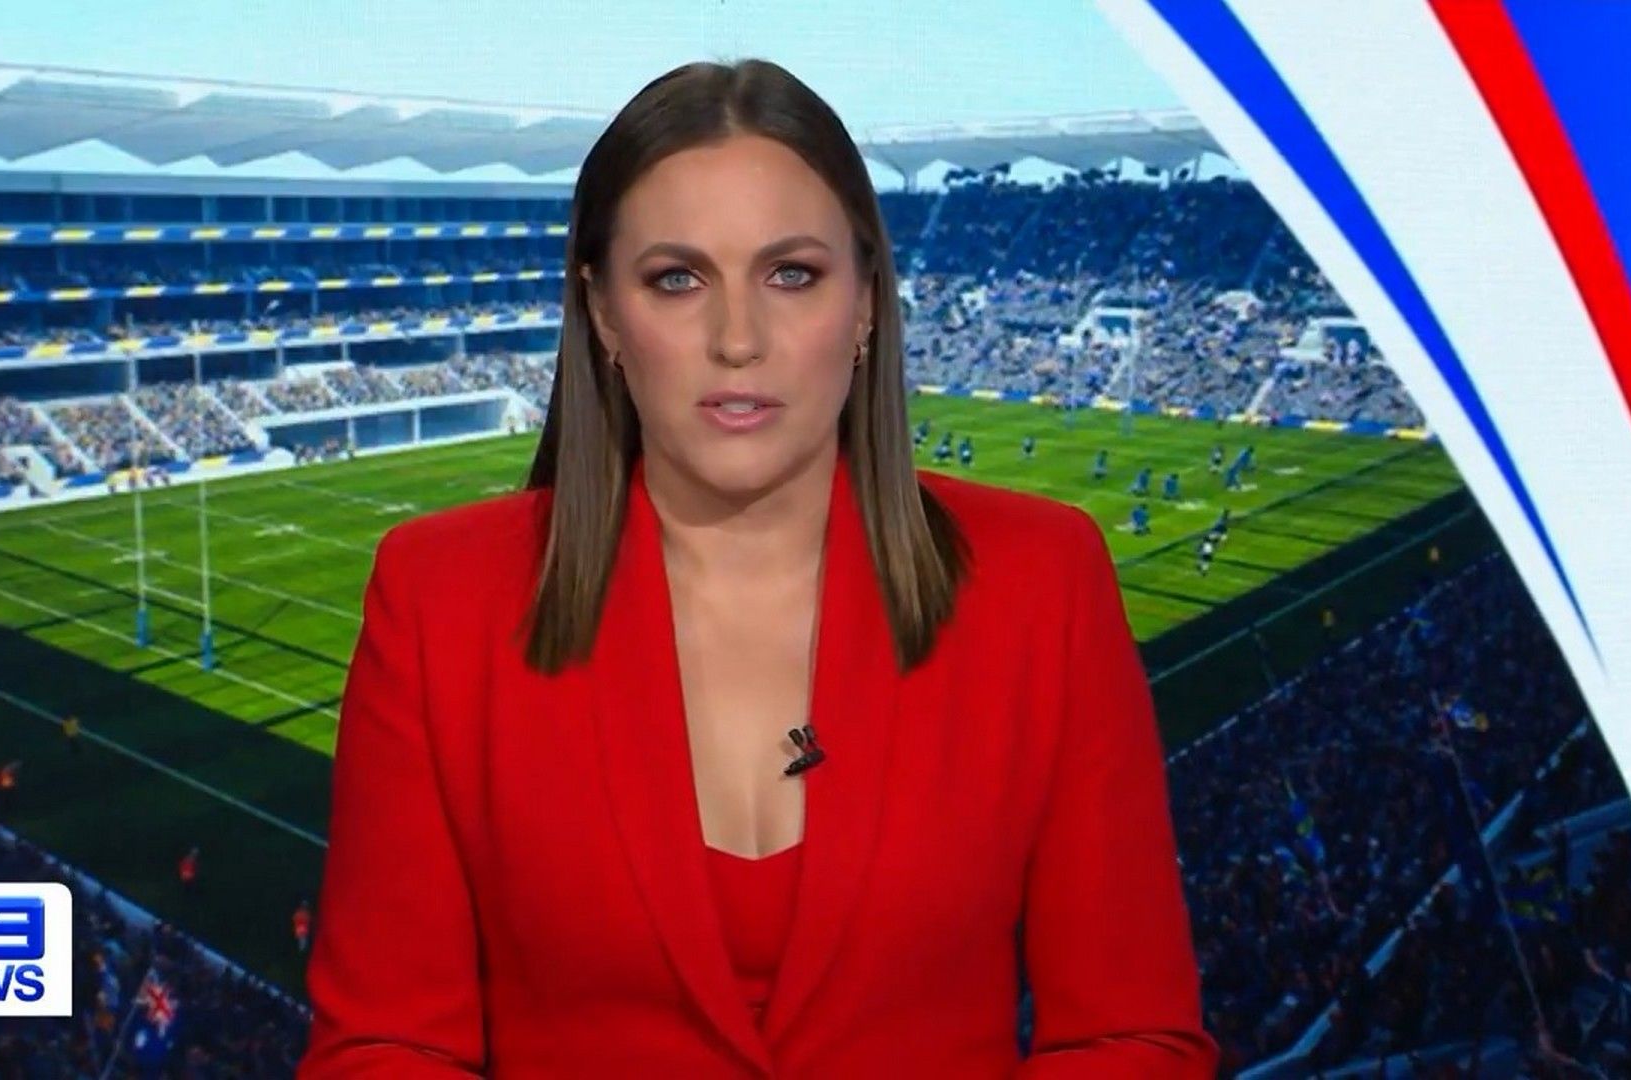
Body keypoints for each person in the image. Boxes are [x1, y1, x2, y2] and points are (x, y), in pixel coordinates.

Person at [301, 58, 1215, 1079]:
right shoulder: (440, 598)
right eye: (677, 279)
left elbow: (1133, 1037)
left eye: (792, 275)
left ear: (866, 304)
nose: (738, 339)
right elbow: (383, 1047)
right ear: (602, 314)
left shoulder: (1042, 581)